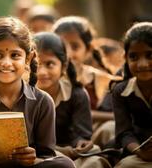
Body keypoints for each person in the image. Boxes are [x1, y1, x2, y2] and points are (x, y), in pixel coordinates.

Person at [0, 17, 75, 168]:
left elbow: (47, 155)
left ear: (28, 59)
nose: (6, 63)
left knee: (64, 164)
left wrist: (32, 159)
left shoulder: (42, 101)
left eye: (15, 55)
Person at [34, 32, 111, 168]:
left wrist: (81, 143)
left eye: (50, 64)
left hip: (74, 154)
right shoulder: (23, 95)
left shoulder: (77, 94)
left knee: (95, 160)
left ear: (63, 67)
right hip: (39, 155)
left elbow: (82, 133)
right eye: (36, 64)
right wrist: (62, 151)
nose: (42, 72)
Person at [111, 22, 152, 168]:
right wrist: (140, 152)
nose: (142, 64)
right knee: (125, 165)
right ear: (126, 58)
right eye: (134, 57)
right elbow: (124, 133)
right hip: (141, 153)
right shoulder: (121, 91)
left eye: (149, 55)